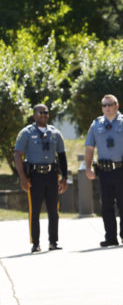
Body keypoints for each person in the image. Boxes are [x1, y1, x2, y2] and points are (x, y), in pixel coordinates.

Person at [84, 94, 123, 247]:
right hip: (104, 171)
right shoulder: (96, 124)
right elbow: (89, 148)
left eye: (110, 104)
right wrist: (88, 167)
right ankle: (110, 237)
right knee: (106, 205)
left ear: (117, 105)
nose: (107, 108)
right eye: (104, 105)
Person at [13, 104, 68, 252]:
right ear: (34, 114)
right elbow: (18, 155)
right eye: (40, 112)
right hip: (35, 177)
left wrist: (64, 178)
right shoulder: (26, 133)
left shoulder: (55, 133)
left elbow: (62, 156)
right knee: (34, 211)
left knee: (53, 211)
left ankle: (53, 242)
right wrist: (23, 178)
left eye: (46, 112)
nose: (43, 114)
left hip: (51, 176)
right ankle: (35, 243)